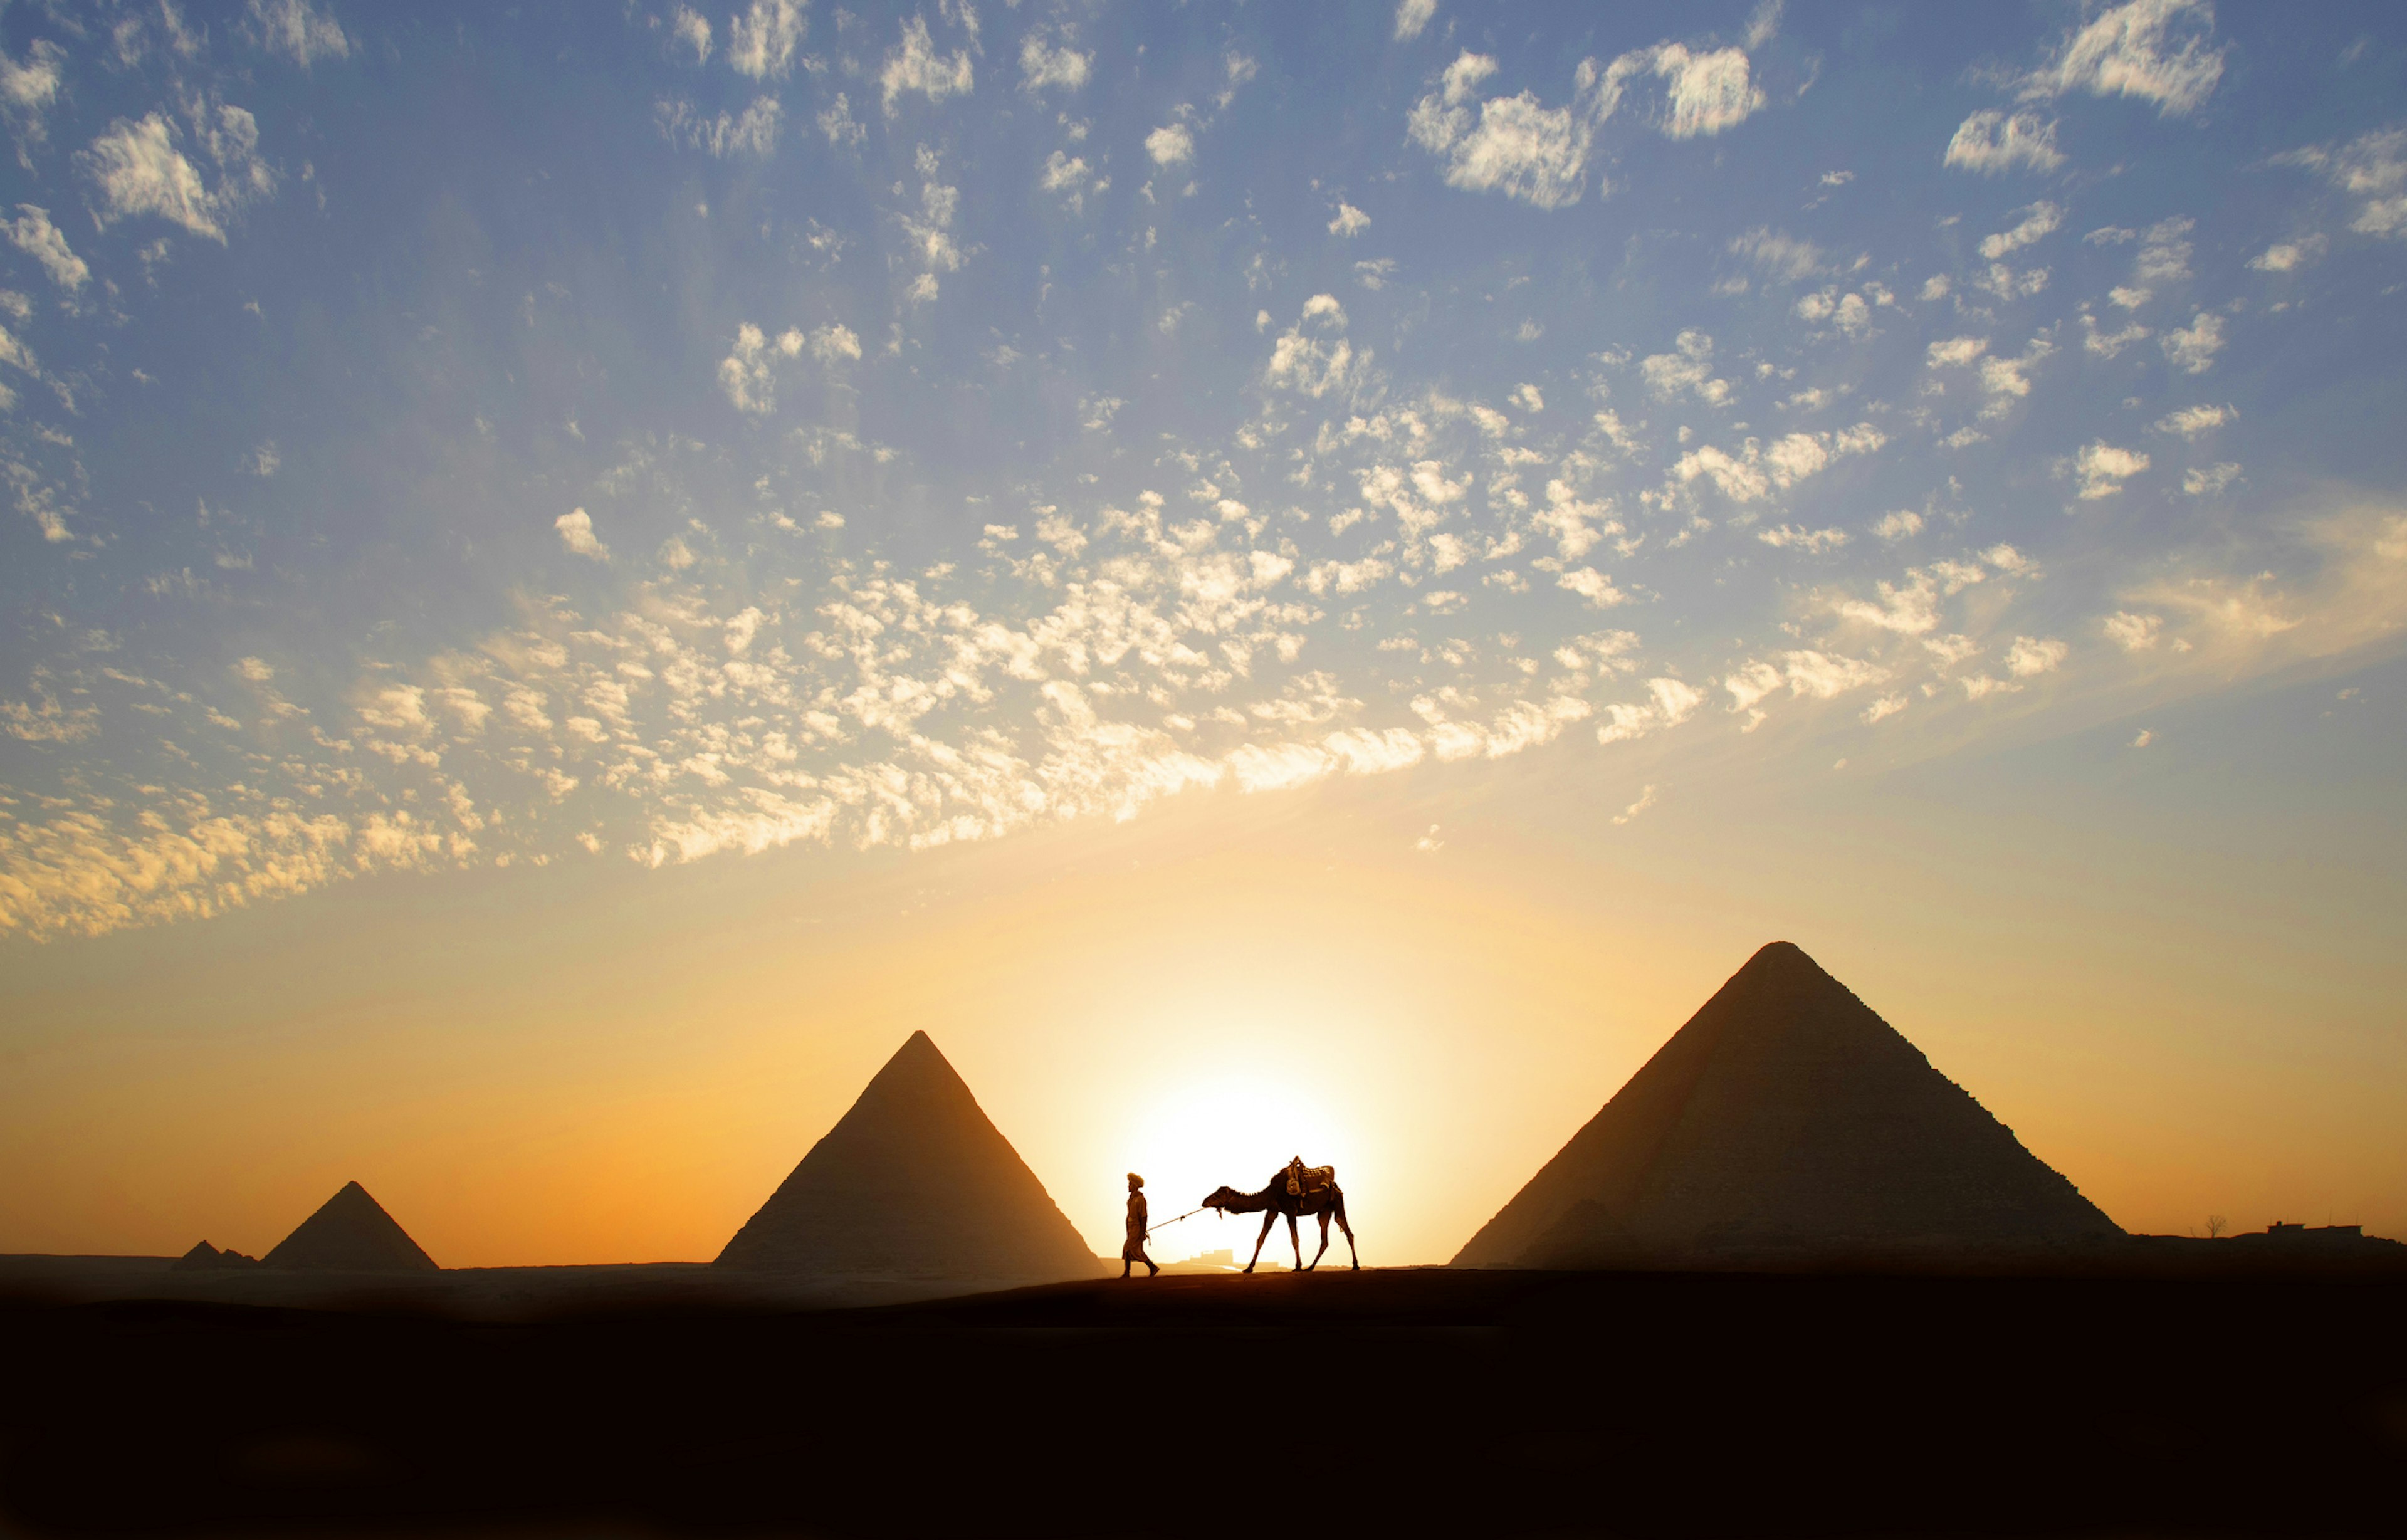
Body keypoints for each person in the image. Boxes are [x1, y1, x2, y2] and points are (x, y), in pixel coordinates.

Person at [1121, 1173, 1158, 1279]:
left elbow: (1144, 1217)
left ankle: (1127, 1273)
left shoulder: (1141, 1199)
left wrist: (1142, 1232)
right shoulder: (1131, 1199)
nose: (1129, 1186)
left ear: (1135, 1186)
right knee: (1135, 1251)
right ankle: (1152, 1267)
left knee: (1128, 1248)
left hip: (1137, 1228)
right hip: (1130, 1229)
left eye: (1130, 1184)